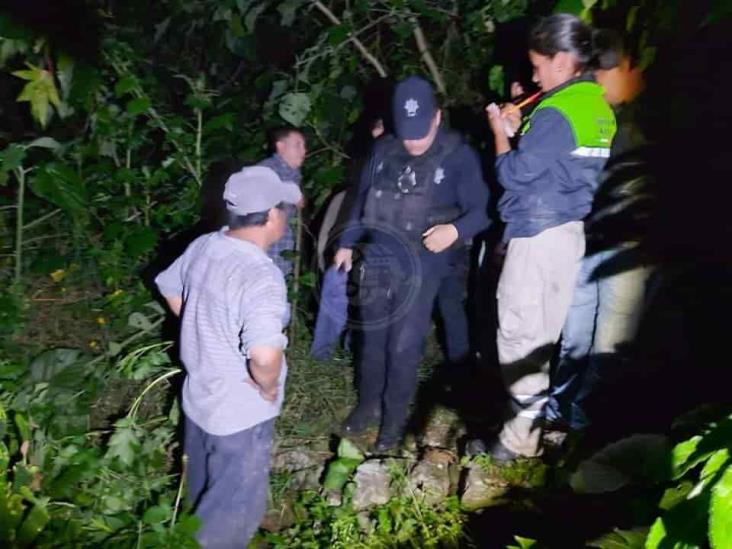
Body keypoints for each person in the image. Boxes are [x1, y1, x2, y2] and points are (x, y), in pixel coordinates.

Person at [474, 14, 617, 461]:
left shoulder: (556, 111)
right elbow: (556, 165)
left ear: (561, 60)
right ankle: (524, 430)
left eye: (538, 64)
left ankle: (519, 438)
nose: (534, 74)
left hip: (537, 235)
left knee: (518, 334)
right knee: (541, 334)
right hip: (569, 233)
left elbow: (514, 175)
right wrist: (523, 133)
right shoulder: (596, 106)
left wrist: (500, 134)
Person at [334, 75, 490, 451]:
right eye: (408, 135)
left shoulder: (458, 155)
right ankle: (368, 406)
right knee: (371, 340)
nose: (414, 142)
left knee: (404, 346)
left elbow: (484, 210)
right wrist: (346, 242)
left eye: (421, 133)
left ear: (437, 118)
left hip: (425, 260)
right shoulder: (383, 150)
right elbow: (362, 199)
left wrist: (455, 230)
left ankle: (394, 422)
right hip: (379, 254)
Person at [155, 166, 301, 547]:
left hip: (200, 400)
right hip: (240, 415)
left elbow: (168, 285)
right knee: (232, 518)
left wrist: (204, 328)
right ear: (271, 217)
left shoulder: (206, 245)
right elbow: (265, 353)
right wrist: (266, 385)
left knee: (204, 494)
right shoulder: (260, 276)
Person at [546, 31, 654, 432]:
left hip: (629, 251)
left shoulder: (654, 117)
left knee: (610, 343)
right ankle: (559, 411)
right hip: (587, 242)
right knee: (574, 333)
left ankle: (583, 419)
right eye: (599, 71)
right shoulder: (587, 114)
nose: (603, 80)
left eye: (611, 71)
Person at [256, 127, 307, 275]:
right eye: (297, 145)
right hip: (266, 255)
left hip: (283, 252)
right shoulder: (266, 169)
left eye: (304, 146)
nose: (304, 151)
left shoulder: (293, 174)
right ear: (280, 146)